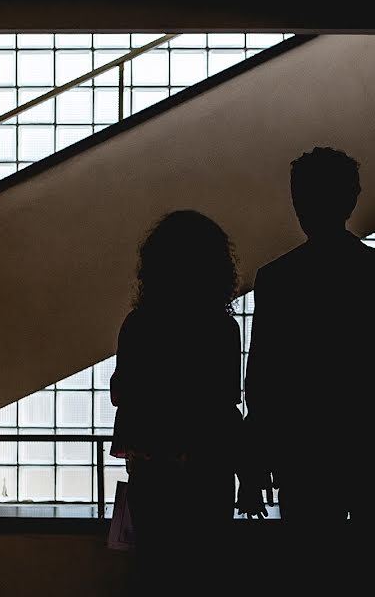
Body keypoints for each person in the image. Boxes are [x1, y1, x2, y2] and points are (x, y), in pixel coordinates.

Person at [238, 147, 375, 524]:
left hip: (305, 460)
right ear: (352, 198)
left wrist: (257, 460)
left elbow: (264, 382)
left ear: (298, 201)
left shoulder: (279, 279)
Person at [110, 210, 242, 592]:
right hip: (207, 472)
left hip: (153, 472)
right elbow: (223, 406)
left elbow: (124, 395)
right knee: (205, 569)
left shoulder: (138, 325)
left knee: (156, 569)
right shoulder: (220, 328)